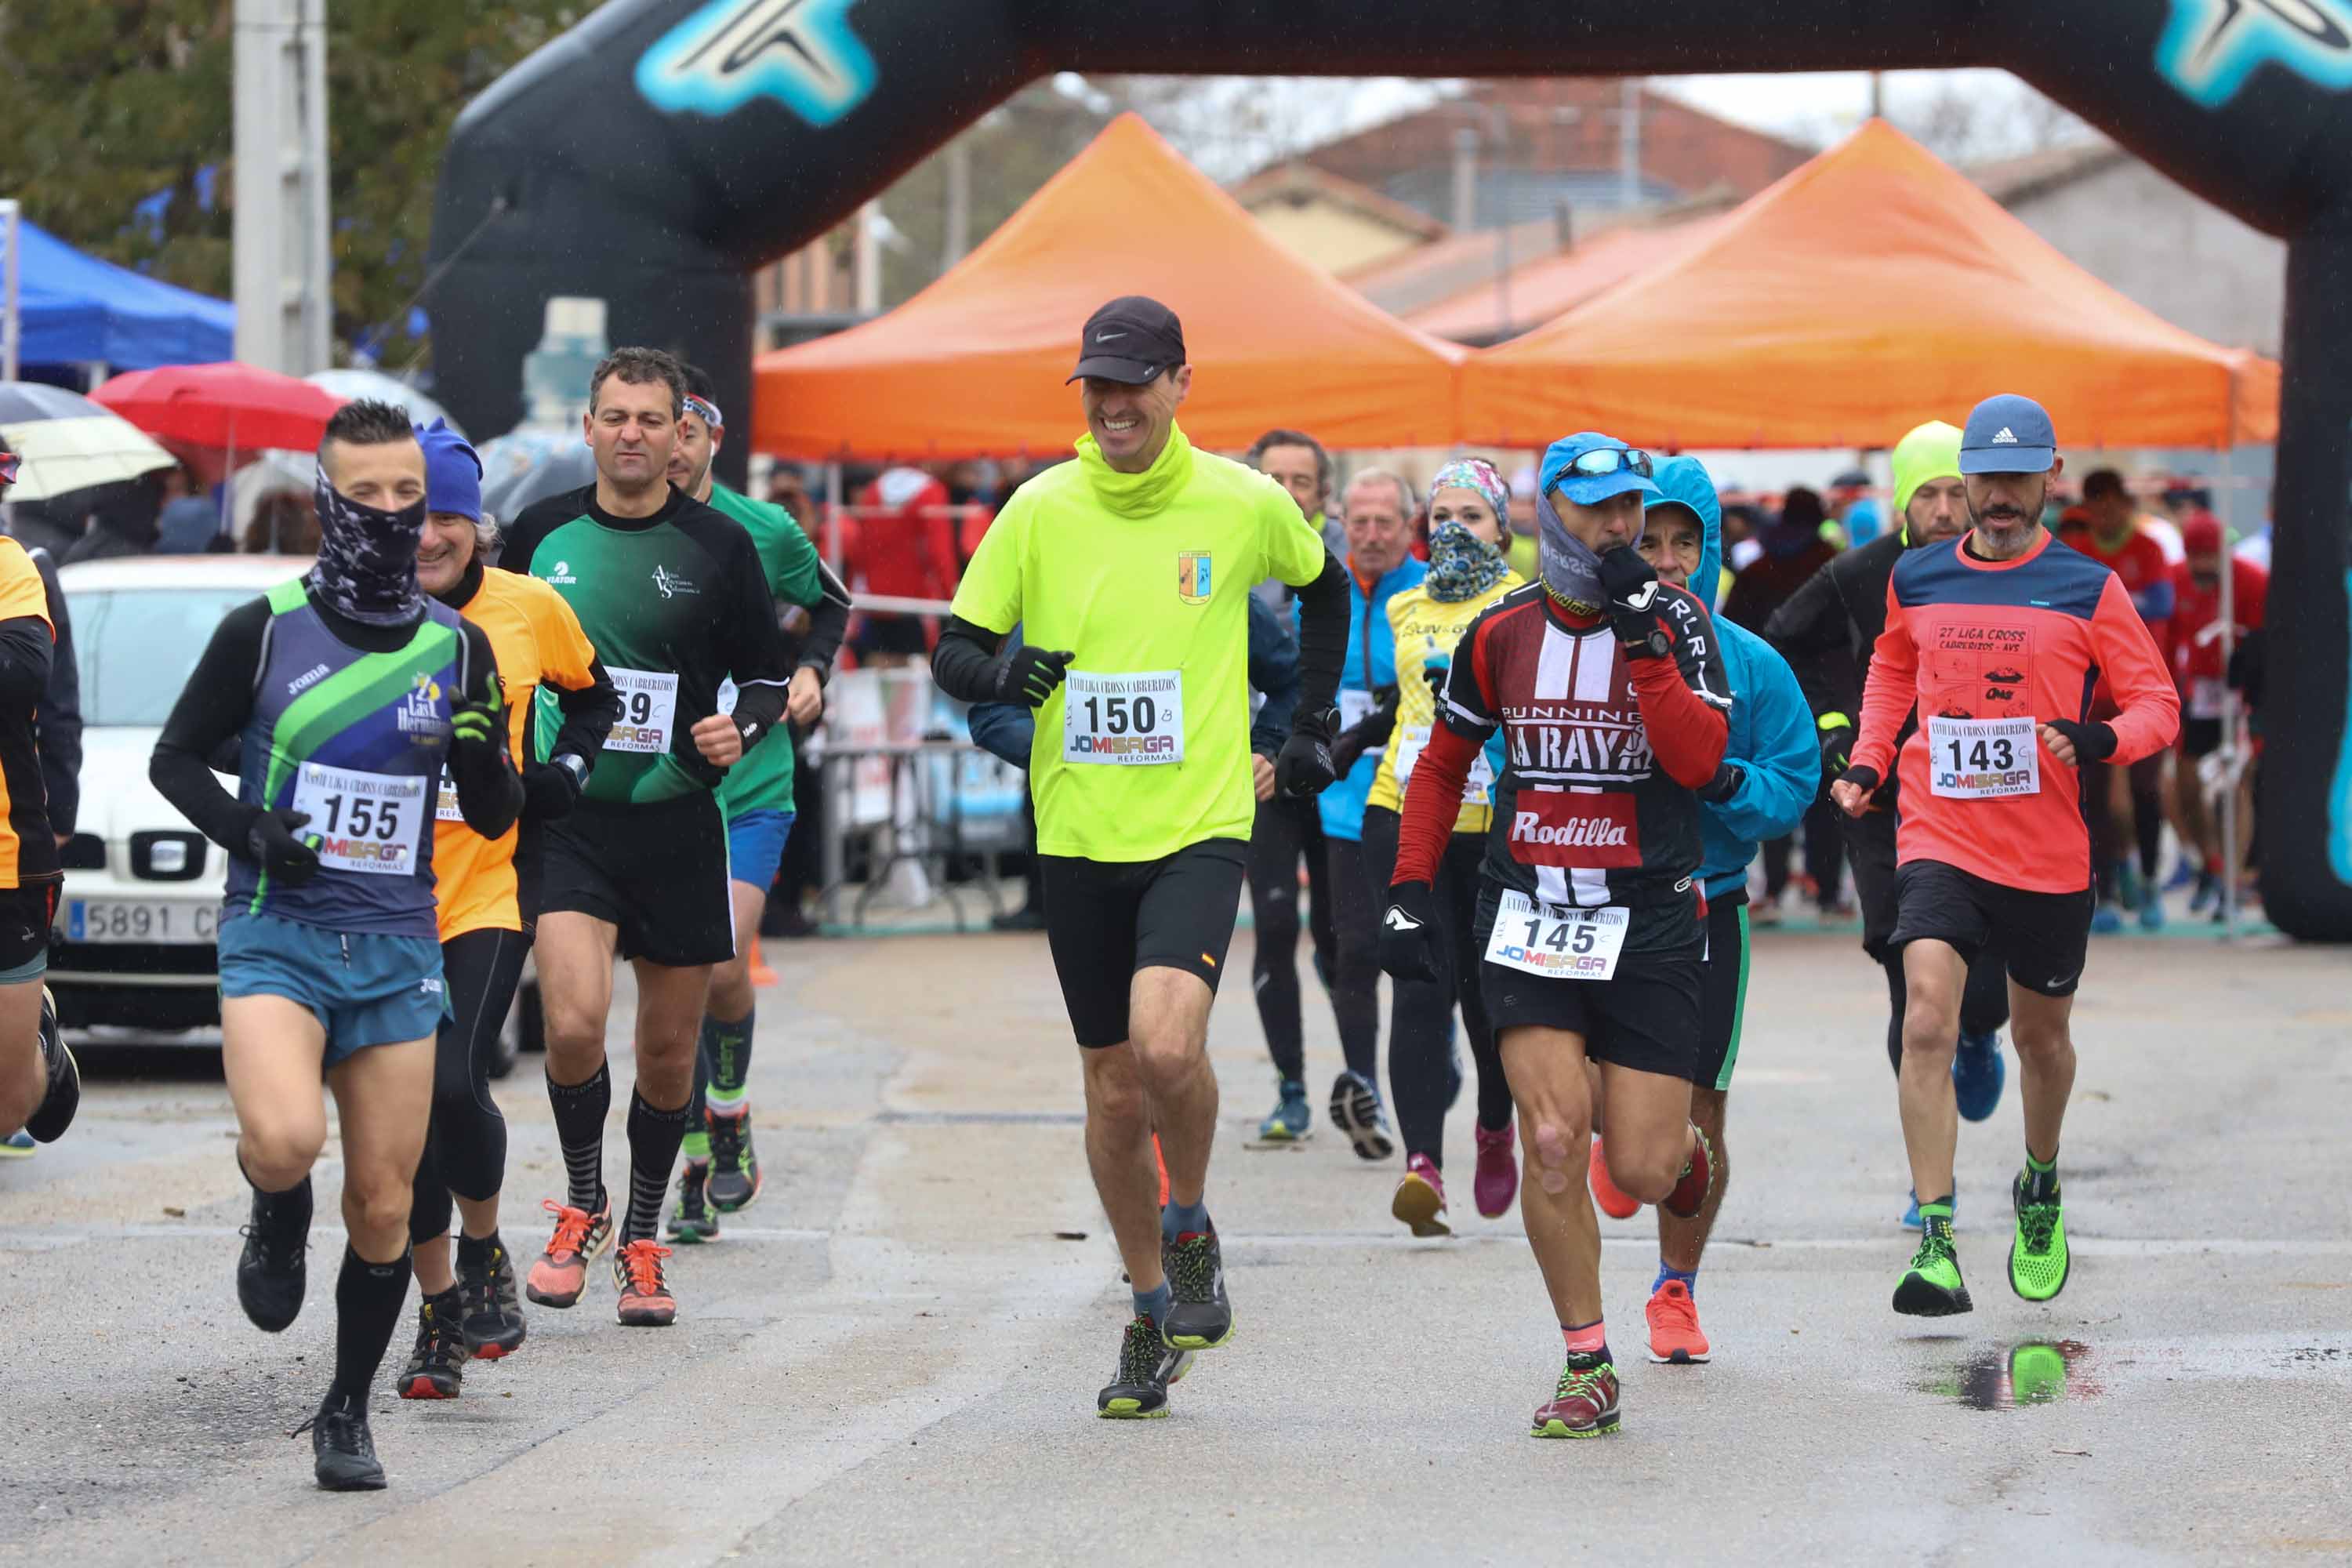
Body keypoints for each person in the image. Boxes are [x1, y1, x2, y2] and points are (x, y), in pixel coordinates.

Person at [930, 295, 1348, 1418]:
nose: (1112, 404)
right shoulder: (1039, 509)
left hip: (1200, 821)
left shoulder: (1243, 500)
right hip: (1077, 833)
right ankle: (1151, 1304)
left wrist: (1304, 732)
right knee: (1113, 1089)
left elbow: (1327, 590)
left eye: (1131, 383)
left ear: (1179, 384)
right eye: (1095, 387)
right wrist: (1003, 677)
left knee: (1169, 1049)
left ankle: (1195, 1210)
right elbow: (956, 651)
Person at [147, 401, 523, 1489]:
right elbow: (177, 759)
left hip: (398, 947)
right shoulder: (263, 629)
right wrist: (247, 828)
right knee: (281, 1141)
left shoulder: (457, 649)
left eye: (412, 496)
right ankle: (273, 1208)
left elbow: (496, 815)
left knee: (387, 1204)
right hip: (279, 933)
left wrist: (482, 755)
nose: (395, 515)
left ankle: (346, 1411)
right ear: (326, 500)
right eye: (369, 495)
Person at [1381, 432, 1732, 1439]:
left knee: (1643, 1168)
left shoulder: (1680, 620)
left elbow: (1700, 759)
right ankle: (1589, 1360)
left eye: (1632, 507)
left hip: (1652, 923)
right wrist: (1410, 885)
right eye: (1598, 509)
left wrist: (1646, 644)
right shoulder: (1503, 632)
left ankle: (1681, 1149)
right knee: (1548, 1136)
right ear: (1551, 513)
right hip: (1530, 914)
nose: (1621, 526)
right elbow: (1443, 766)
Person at [1831, 395, 2178, 1319]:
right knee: (1927, 1022)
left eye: (2018, 479)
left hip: (2047, 854)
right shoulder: (1919, 576)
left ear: (2047, 479)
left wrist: (2098, 741)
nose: (1998, 496)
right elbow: (1892, 668)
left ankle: (2040, 1180)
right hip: (1939, 835)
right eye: (1986, 478)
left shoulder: (2087, 587)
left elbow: (2157, 703)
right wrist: (1870, 758)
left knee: (2041, 1041)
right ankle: (1939, 1239)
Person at [499, 349, 798, 1330]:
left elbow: (765, 673)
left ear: (683, 436)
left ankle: (640, 1237)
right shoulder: (539, 535)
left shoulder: (719, 545)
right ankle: (582, 1202)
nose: (631, 432)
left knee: (670, 1054)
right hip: (571, 822)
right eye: (614, 415)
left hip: (678, 823)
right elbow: (486, 648)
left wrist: (741, 727)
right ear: (586, 428)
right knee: (576, 1023)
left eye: (651, 418)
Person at [394, 419, 620, 1399]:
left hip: (488, 880)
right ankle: (440, 1313)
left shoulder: (528, 609)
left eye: (446, 514)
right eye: (409, 514)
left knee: (451, 1083)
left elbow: (599, 698)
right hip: (376, 894)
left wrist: (563, 768)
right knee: (400, 1114)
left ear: (475, 525)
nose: (429, 535)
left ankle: (481, 1247)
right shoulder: (357, 616)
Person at [1588, 456, 1817, 1364]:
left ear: (1712, 549)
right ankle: (1615, 1134)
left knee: (1700, 1111)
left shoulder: (1751, 661)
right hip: (1597, 902)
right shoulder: (1580, 645)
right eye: (1650, 541)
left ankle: (1675, 1288)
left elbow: (1792, 783)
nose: (1670, 561)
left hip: (1707, 907)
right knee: (1587, 1082)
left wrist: (1720, 781)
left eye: (1687, 543)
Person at [1764, 421, 2013, 1225]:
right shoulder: (1862, 572)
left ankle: (1980, 1033)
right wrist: (1834, 726)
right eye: (1926, 495)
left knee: (1981, 994)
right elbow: (1783, 644)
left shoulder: (2011, 569)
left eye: (1954, 492)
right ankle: (1927, 1179)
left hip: (1990, 800)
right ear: (1902, 501)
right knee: (1912, 987)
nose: (1944, 511)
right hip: (1885, 801)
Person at [658, 368, 848, 1244]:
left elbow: (832, 603)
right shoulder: (603, 526)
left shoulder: (765, 528)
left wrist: (812, 669)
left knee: (724, 962)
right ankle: (692, 1150)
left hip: (752, 781)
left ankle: (726, 1108)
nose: (672, 443)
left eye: (688, 428)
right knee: (674, 986)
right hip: (652, 789)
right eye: (659, 427)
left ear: (709, 438)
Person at [1358, 459, 1520, 1234]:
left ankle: (1494, 1123)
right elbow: (1396, 706)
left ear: (1505, 526)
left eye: (1474, 515)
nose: (1455, 528)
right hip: (1403, 809)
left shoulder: (1522, 604)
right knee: (1418, 987)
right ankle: (1424, 1163)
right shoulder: (1404, 602)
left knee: (1491, 1004)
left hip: (1493, 827)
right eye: (1443, 514)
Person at [1316, 468, 1428, 1160]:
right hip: (1341, 807)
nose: (1371, 535)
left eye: (1385, 522)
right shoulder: (1321, 590)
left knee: (1418, 959)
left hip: (1420, 803)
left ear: (1408, 525)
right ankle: (1364, 1087)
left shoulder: (1428, 592)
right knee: (1352, 952)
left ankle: (1429, 1068)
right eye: (1359, 523)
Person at [1240, 427, 1339, 1139]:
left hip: (1339, 773)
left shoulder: (1343, 560)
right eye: (1272, 478)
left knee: (1342, 939)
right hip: (1263, 768)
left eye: (1300, 482)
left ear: (1322, 495)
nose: (1284, 492)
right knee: (1274, 926)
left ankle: (1365, 1073)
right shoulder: (1228, 555)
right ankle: (1292, 1088)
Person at [0, 435, 77, 1160]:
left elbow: (23, 674)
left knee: (10, 1104)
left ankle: (40, 1050)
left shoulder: (11, 565)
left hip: (7, 857)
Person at [2068, 470, 2176, 931]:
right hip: (2092, 696)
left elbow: (2163, 603)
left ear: (2125, 505)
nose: (2105, 513)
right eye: (2097, 504)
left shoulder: (2148, 548)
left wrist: (2108, 607)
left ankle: (2150, 881)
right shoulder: (2076, 554)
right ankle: (2107, 890)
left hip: (2140, 694)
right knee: (2088, 795)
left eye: (2113, 503)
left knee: (2145, 790)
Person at [2165, 509, 2266, 915]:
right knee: (2182, 783)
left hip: (2238, 692)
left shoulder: (2251, 580)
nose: (2202, 567)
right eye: (2196, 558)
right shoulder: (2175, 580)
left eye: (2210, 557)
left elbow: (2262, 642)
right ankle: (2209, 861)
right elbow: (2167, 643)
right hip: (2196, 694)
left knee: (2239, 782)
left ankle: (2233, 873)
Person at [845, 464, 961, 663]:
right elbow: (939, 552)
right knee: (919, 676)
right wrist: (950, 592)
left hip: (877, 602)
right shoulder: (931, 492)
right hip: (918, 604)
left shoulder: (873, 491)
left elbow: (861, 553)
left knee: (880, 670)